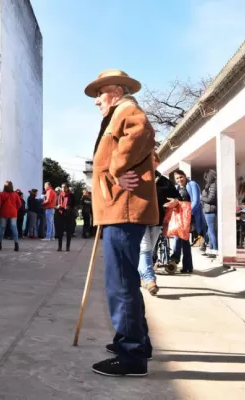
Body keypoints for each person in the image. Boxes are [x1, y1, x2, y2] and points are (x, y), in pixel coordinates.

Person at [85, 69, 158, 377]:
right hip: (117, 207)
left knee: (121, 282)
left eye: (100, 94)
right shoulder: (117, 113)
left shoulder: (127, 110)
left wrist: (116, 169)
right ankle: (136, 342)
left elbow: (141, 132)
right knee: (123, 279)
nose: (97, 101)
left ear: (114, 91)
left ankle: (132, 354)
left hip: (123, 209)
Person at [138, 152, 180, 296]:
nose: (153, 163)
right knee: (145, 248)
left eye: (155, 160)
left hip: (157, 219)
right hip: (140, 219)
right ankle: (150, 280)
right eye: (149, 160)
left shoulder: (163, 181)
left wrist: (175, 201)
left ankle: (139, 275)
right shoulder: (138, 177)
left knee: (149, 250)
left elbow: (177, 197)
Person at [170, 169, 201, 273]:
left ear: (185, 176)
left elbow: (196, 201)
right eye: (177, 178)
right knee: (180, 238)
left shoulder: (192, 184)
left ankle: (180, 261)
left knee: (184, 240)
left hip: (188, 217)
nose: (179, 180)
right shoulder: (177, 187)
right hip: (179, 217)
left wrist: (188, 213)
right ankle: (183, 264)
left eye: (181, 177)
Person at [0, 180, 21, 251]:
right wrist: (15, 209)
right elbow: (19, 204)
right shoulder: (15, 194)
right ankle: (16, 244)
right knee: (14, 227)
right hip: (13, 213)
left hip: (3, 212)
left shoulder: (1, 194)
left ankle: (0, 244)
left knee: (2, 228)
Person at [200, 169, 218, 258]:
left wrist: (201, 197)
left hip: (210, 210)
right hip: (208, 210)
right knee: (210, 232)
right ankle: (211, 249)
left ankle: (215, 249)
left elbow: (211, 199)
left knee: (211, 232)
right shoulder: (211, 185)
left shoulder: (213, 185)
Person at [55, 183, 76, 252]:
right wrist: (57, 207)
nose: (63, 189)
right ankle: (59, 247)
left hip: (69, 215)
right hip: (60, 215)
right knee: (60, 232)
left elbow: (74, 205)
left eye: (65, 187)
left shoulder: (71, 195)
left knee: (68, 231)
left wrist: (69, 208)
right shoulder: (58, 196)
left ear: (67, 188)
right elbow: (54, 205)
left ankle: (68, 247)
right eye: (62, 187)